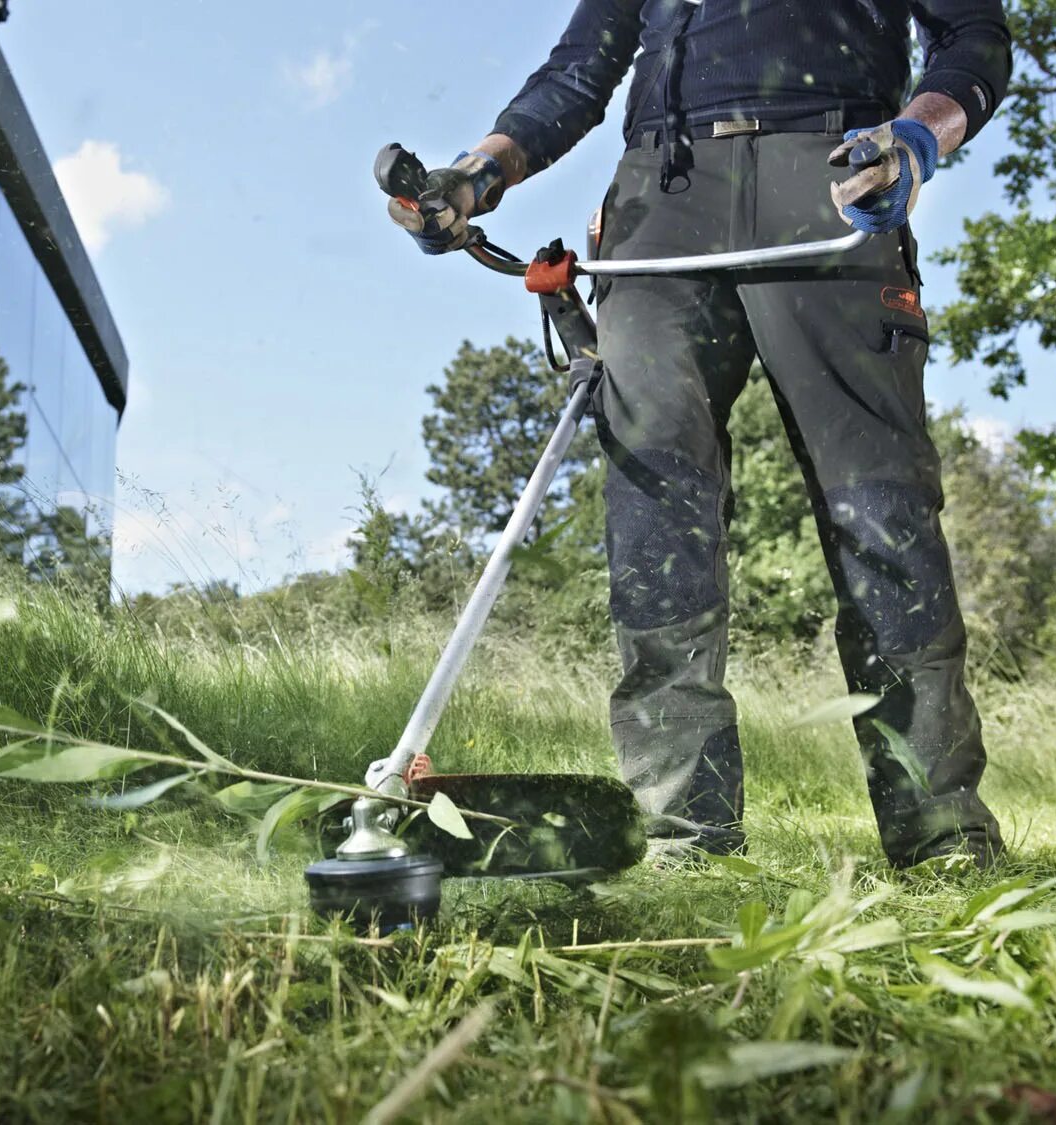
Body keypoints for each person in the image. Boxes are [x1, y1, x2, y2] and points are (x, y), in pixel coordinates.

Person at [389, 0, 1013, 868]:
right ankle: (684, 832)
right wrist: (471, 177)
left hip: (833, 178)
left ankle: (941, 834)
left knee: (879, 512)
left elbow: (974, 37)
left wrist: (916, 138)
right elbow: (577, 71)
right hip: (662, 199)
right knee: (653, 518)